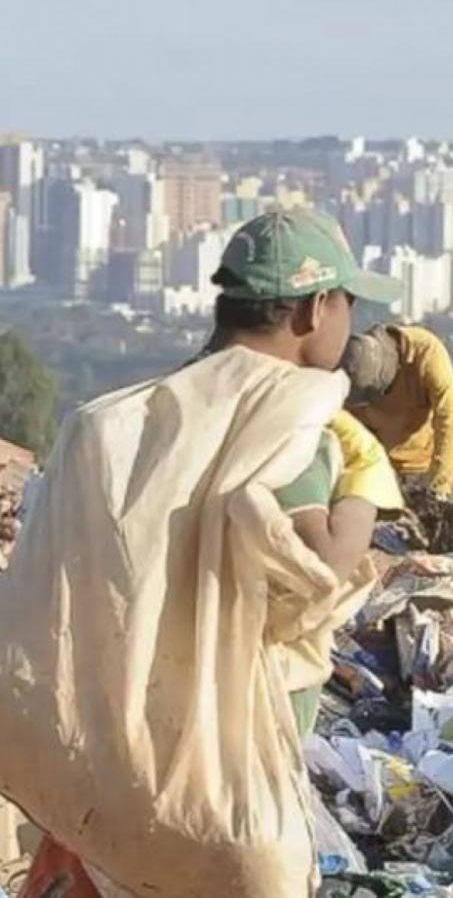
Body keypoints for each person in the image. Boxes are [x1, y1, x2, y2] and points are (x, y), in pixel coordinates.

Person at [0, 207, 402, 898]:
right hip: (221, 771)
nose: (351, 322)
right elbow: (323, 569)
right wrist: (365, 480)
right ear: (312, 310)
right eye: (347, 303)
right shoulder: (290, 420)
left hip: (102, 758)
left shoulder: (113, 421)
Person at [342, 324, 453, 501]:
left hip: (429, 466)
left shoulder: (427, 353)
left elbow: (449, 420)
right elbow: (347, 432)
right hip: (382, 470)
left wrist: (441, 486)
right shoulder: (354, 366)